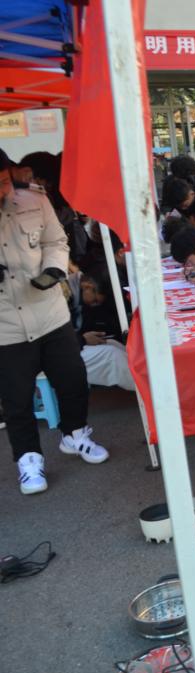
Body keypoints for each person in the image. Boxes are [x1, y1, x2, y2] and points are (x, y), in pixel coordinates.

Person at [0, 148, 109, 495]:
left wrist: (53, 268)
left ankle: (75, 434)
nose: (3, 189)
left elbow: (56, 240)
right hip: (6, 325)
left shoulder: (34, 199)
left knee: (73, 379)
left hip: (49, 311)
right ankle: (28, 460)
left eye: (5, 181)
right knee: (16, 399)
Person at [70, 268, 135, 392]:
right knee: (111, 355)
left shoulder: (77, 291)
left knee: (111, 344)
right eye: (95, 301)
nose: (94, 305)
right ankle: (147, 388)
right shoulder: (66, 294)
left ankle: (145, 379)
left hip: (70, 344)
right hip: (54, 354)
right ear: (87, 286)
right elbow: (56, 339)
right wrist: (83, 339)